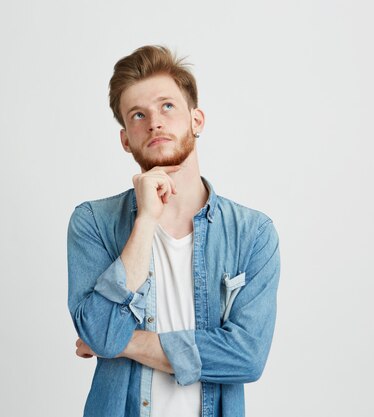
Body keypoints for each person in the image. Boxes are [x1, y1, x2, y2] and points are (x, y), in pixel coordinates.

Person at [67, 45, 281, 417]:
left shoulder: (253, 234)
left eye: (167, 106)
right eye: (138, 115)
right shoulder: (93, 223)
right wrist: (145, 221)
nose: (155, 122)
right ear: (125, 140)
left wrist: (123, 342)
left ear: (197, 120)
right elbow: (98, 331)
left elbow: (247, 359)